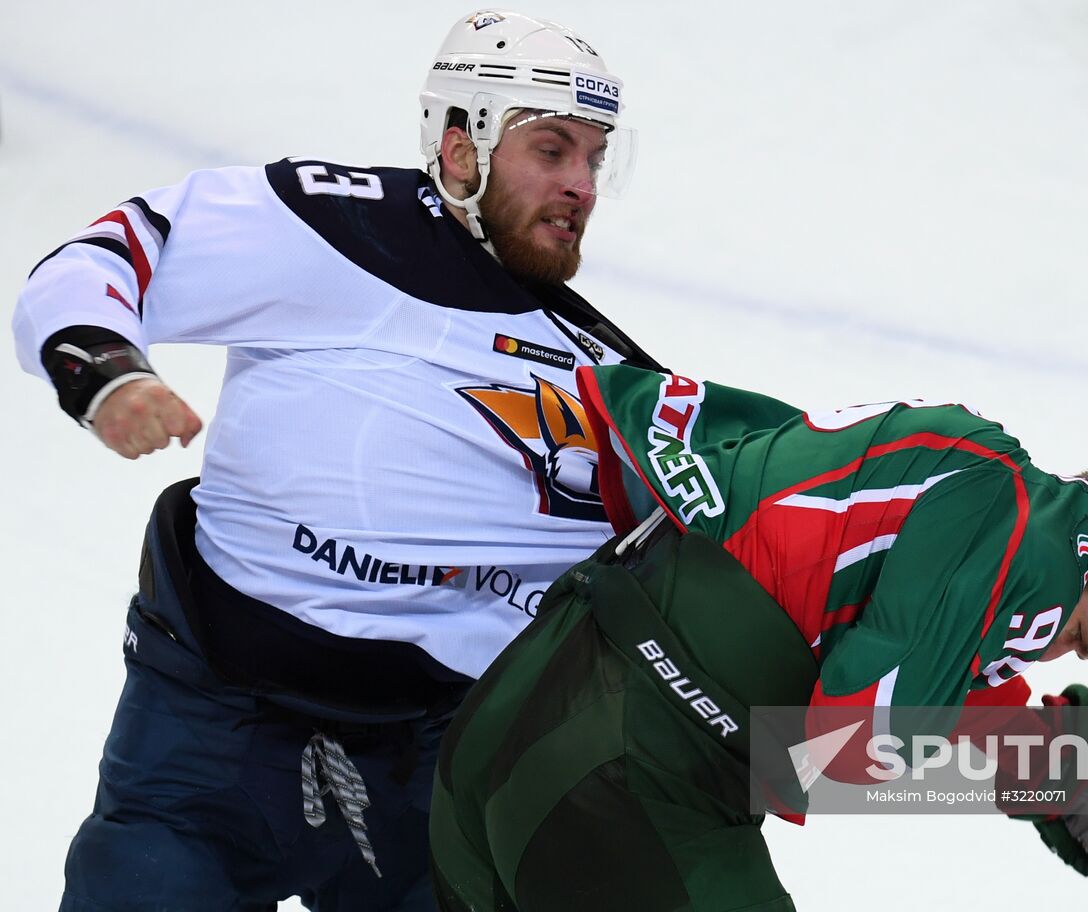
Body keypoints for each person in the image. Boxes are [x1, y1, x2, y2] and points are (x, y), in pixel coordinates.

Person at [12, 11, 657, 911]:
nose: (581, 184)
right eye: (552, 149)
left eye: (596, 157)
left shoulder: (605, 375)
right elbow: (112, 253)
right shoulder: (329, 221)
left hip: (430, 771)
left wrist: (892, 756)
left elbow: (717, 566)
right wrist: (103, 368)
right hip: (209, 741)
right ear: (462, 143)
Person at [429, 364, 1088, 911]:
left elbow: (897, 643)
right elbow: (850, 742)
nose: (1050, 651)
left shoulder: (940, 471)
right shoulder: (1036, 531)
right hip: (629, 777)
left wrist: (1036, 751)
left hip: (513, 721)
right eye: (1076, 634)